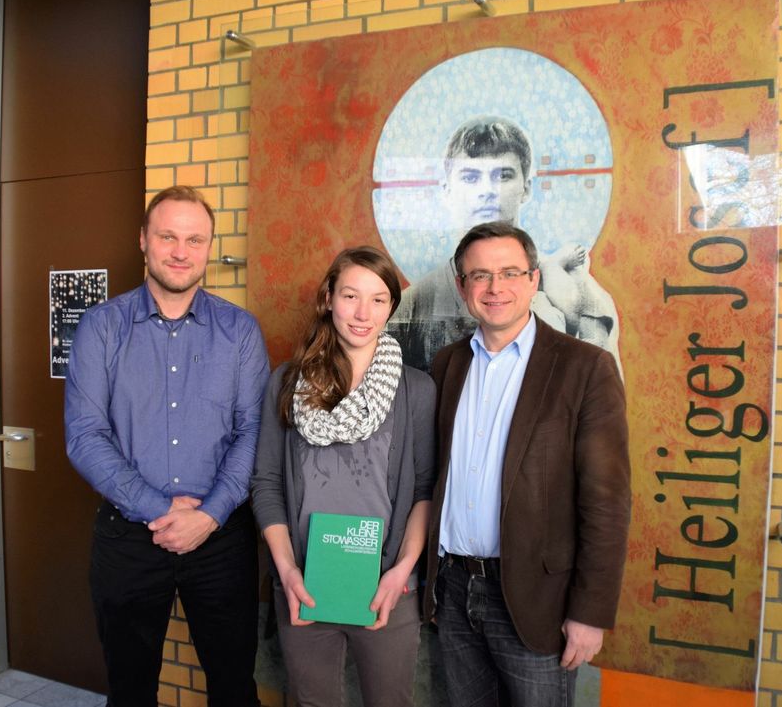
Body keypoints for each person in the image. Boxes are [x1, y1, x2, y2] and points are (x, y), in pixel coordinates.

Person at [65, 185, 269, 707]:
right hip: (128, 537)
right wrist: (160, 509)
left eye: (194, 239)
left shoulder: (240, 331)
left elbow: (253, 431)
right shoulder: (100, 328)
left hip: (221, 538)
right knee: (129, 692)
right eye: (168, 237)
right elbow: (85, 436)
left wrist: (210, 514)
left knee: (234, 690)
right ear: (143, 240)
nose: (181, 251)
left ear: (209, 247)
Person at [423, 222, 630, 707]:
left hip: (538, 600)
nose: (495, 287)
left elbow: (607, 502)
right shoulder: (447, 365)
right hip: (453, 591)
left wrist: (590, 612)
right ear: (462, 287)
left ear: (534, 279)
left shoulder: (585, 368)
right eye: (480, 275)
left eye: (510, 273)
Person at [251, 246, 436, 707]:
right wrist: (287, 570)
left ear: (391, 307)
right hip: (304, 583)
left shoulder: (416, 390)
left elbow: (424, 490)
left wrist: (401, 571)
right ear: (329, 298)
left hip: (388, 586)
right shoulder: (288, 384)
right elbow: (267, 482)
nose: (362, 313)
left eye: (378, 299)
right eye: (351, 295)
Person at [386, 116, 620, 373]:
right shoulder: (410, 308)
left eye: (503, 176)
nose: (488, 190)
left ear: (526, 188)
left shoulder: (580, 297)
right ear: (446, 189)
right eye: (471, 177)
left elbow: (599, 390)